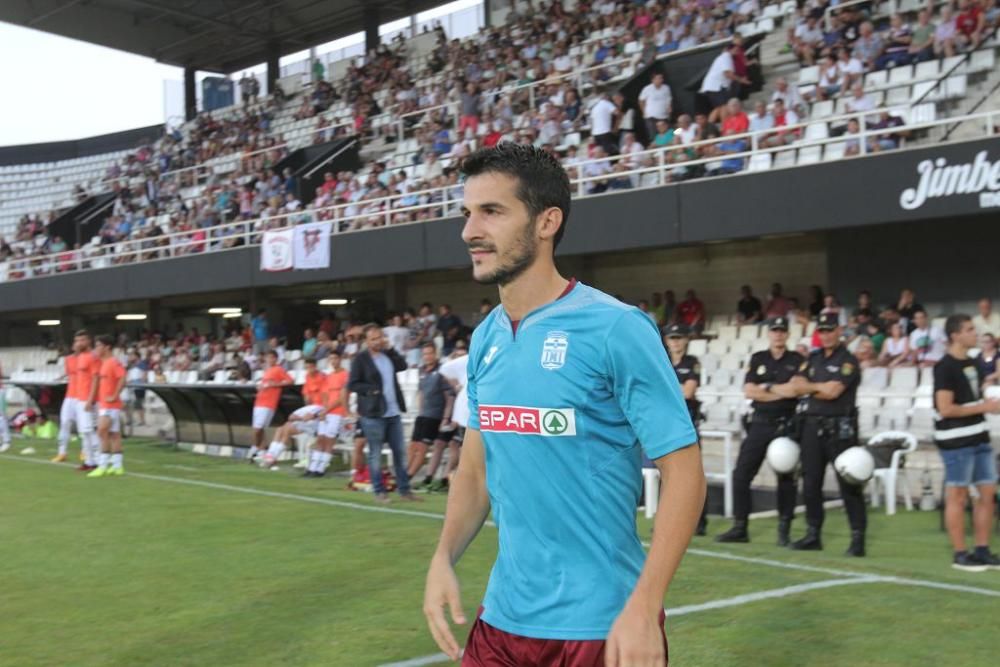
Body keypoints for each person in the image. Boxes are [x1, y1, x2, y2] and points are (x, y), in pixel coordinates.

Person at [424, 143, 703, 665]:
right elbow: (476, 472)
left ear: (547, 221)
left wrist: (646, 605)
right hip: (501, 620)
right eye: (467, 213)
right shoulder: (485, 338)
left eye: (492, 211)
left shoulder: (616, 328)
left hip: (600, 626)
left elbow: (684, 471)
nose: (469, 231)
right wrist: (443, 557)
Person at [717, 317, 803, 545]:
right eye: (774, 330)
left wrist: (766, 388)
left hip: (786, 424)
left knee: (786, 478)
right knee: (741, 474)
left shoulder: (797, 359)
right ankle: (740, 527)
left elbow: (796, 390)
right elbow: (749, 391)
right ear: (769, 333)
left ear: (787, 334)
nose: (778, 334)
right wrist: (780, 391)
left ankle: (784, 529)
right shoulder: (758, 358)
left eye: (781, 331)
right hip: (760, 422)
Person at [789, 313, 866, 556]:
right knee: (811, 483)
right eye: (822, 330)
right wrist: (816, 388)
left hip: (839, 429)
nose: (826, 335)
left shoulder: (848, 360)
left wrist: (810, 389)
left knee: (849, 485)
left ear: (839, 330)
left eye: (830, 330)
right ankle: (813, 534)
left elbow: (834, 392)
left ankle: (857, 539)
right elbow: (795, 385)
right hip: (812, 427)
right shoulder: (813, 358)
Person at [933, 314, 1000, 571]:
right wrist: (984, 406)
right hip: (956, 441)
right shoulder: (945, 367)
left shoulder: (972, 363)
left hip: (979, 436)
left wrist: (987, 406)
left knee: (987, 495)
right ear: (955, 335)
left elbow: (972, 400)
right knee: (958, 496)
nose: (976, 333)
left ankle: (982, 550)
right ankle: (960, 554)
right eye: (970, 329)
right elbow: (946, 408)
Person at [348, 324, 420, 503]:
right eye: (373, 338)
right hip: (373, 413)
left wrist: (391, 348)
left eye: (379, 337)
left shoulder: (388, 355)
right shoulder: (360, 359)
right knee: (375, 453)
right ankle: (379, 492)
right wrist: (372, 390)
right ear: (366, 341)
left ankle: (404, 491)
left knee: (399, 453)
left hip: (393, 412)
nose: (377, 341)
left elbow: (402, 366)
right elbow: (353, 384)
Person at [664, 323, 709, 535]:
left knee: (693, 474)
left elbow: (688, 392)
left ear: (686, 340)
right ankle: (668, 522)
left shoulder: (692, 362)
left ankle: (700, 522)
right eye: (672, 338)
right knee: (667, 474)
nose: (676, 342)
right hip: (666, 424)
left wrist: (665, 390)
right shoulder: (662, 362)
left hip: (687, 424)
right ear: (666, 341)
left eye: (679, 337)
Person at [407, 343, 454, 482]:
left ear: (435, 354)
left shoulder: (442, 371)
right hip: (422, 416)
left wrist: (445, 417)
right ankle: (403, 475)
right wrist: (420, 412)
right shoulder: (421, 371)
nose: (427, 356)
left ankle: (408, 477)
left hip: (435, 416)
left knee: (422, 448)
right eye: (425, 354)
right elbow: (421, 393)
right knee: (412, 447)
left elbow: (449, 397)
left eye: (430, 353)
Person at [87, 335, 128, 478]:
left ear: (107, 347)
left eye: (98, 345)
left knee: (101, 432)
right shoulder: (103, 362)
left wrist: (115, 395)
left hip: (110, 405)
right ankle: (117, 466)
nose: (96, 348)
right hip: (106, 404)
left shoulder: (113, 362)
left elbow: (123, 377)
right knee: (113, 435)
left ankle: (102, 465)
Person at [306, 351, 349, 478]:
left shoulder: (346, 375)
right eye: (331, 359)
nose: (333, 361)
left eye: (336, 358)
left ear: (340, 359)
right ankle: (312, 468)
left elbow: (342, 397)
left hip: (337, 412)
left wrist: (326, 410)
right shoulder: (328, 376)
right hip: (326, 412)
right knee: (320, 439)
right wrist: (324, 410)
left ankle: (321, 468)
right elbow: (325, 394)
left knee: (329, 440)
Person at [247, 350, 293, 464]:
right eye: (268, 357)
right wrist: (260, 387)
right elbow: (266, 384)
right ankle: (261, 452)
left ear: (276, 359)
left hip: (268, 403)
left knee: (258, 428)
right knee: (259, 428)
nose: (269, 360)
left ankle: (255, 449)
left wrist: (275, 384)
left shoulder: (279, 369)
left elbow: (290, 381)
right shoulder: (267, 370)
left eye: (272, 357)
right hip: (259, 401)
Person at [75, 330, 102, 469]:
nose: (79, 343)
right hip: (80, 399)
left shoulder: (93, 357)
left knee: (91, 430)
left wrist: (90, 399)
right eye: (77, 340)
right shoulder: (80, 356)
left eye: (82, 340)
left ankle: (98, 461)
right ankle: (88, 461)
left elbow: (96, 378)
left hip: (89, 400)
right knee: (84, 431)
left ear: (88, 341)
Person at [54, 345, 80, 463]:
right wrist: (60, 377)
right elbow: (69, 373)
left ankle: (85, 451)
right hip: (70, 396)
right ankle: (62, 452)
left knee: (83, 427)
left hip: (82, 396)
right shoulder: (68, 359)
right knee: (64, 423)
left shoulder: (88, 359)